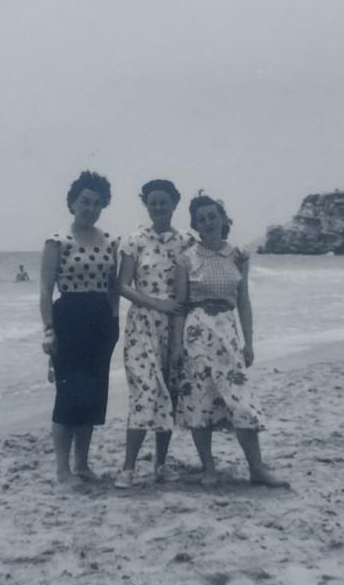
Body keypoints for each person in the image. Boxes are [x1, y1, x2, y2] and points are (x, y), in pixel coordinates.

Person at [170, 193, 288, 488]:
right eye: (201, 219)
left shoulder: (238, 255)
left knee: (241, 401)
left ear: (223, 219)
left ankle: (257, 468)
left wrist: (249, 342)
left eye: (212, 216)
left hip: (228, 334)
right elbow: (180, 305)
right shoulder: (186, 258)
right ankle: (209, 468)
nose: (208, 222)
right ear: (195, 225)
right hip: (197, 335)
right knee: (200, 400)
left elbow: (244, 301)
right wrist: (176, 346)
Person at [39, 170, 120, 484]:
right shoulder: (58, 240)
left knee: (93, 396)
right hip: (68, 317)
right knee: (68, 395)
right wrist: (48, 330)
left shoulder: (111, 241)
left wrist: (113, 322)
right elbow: (46, 290)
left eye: (97, 203)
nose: (91, 208)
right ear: (72, 203)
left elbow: (113, 288)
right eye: (85, 201)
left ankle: (83, 465)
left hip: (101, 321)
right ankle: (62, 469)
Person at [113, 179, 193, 489]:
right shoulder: (134, 240)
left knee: (169, 393)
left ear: (174, 204)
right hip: (141, 325)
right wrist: (157, 303)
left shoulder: (187, 242)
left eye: (164, 202)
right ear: (146, 205)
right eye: (152, 202)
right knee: (145, 392)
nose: (158, 207)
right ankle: (128, 468)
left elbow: (187, 288)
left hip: (174, 326)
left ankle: (160, 464)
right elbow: (122, 285)